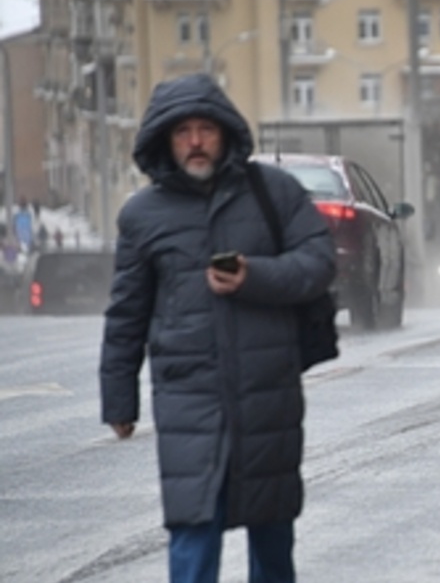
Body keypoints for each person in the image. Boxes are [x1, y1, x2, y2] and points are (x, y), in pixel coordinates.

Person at [99, 73, 336, 583]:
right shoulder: (142, 214)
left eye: (205, 129)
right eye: (182, 131)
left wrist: (255, 277)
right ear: (165, 139)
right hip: (188, 398)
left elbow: (319, 261)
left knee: (272, 538)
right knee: (192, 533)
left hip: (267, 396)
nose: (195, 141)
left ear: (225, 132)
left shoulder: (273, 191)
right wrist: (118, 400)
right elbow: (126, 314)